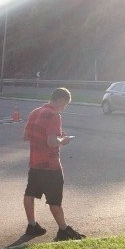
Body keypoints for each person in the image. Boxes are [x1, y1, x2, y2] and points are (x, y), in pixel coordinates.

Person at [23, 87, 86, 241]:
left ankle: (32, 225)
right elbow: (51, 142)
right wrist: (62, 140)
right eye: (65, 104)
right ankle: (63, 230)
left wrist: (57, 136)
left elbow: (28, 136)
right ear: (61, 100)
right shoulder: (53, 115)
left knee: (30, 193)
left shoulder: (35, 112)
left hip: (35, 162)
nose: (64, 108)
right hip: (50, 165)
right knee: (55, 200)